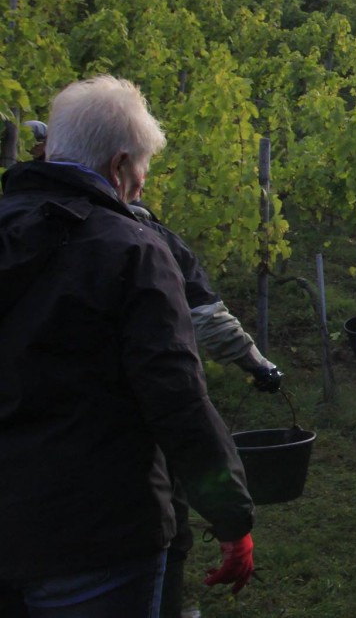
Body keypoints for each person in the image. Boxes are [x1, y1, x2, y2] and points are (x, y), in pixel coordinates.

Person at [0, 76, 255, 616]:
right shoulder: (132, 249)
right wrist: (231, 516)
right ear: (119, 166)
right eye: (141, 170)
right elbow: (175, 399)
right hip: (95, 533)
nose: (140, 187)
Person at [128, 200, 282, 618]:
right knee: (158, 525)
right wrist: (258, 365)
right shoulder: (143, 238)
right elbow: (207, 320)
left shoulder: (14, 227)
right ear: (121, 172)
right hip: (126, 438)